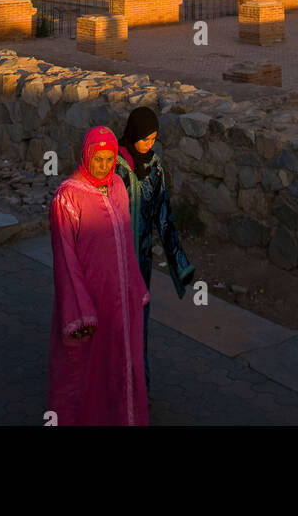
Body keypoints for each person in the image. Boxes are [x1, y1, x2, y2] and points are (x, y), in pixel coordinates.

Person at [47, 126, 149, 426]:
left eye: (109, 159)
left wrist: (135, 285)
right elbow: (65, 261)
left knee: (121, 363)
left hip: (121, 300)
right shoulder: (67, 198)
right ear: (86, 156)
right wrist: (79, 310)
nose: (104, 166)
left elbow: (126, 241)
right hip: (90, 301)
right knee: (86, 370)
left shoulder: (117, 185)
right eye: (98, 159)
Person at [115, 105, 195, 391]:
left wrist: (180, 263)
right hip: (113, 263)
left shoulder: (154, 167)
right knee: (114, 327)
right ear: (133, 133)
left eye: (154, 140)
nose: (149, 145)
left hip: (142, 262)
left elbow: (165, 216)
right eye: (145, 139)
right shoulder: (114, 167)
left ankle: (138, 390)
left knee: (139, 326)